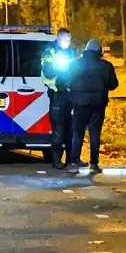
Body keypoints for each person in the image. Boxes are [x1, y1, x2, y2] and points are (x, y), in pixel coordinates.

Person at [65, 38, 119, 175]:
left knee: (77, 133)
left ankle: (73, 163)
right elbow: (113, 84)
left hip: (79, 104)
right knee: (95, 133)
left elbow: (67, 81)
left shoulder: (74, 64)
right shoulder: (106, 66)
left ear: (86, 50)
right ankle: (94, 164)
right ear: (99, 51)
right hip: (98, 104)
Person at [40, 28, 77, 168]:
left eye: (69, 39)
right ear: (58, 38)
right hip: (57, 93)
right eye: (65, 39)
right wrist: (63, 80)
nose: (68, 42)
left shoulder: (72, 51)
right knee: (58, 129)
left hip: (70, 94)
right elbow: (48, 71)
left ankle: (71, 160)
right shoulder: (50, 50)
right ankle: (56, 161)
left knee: (71, 128)